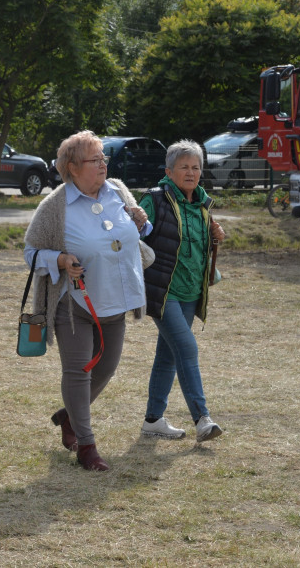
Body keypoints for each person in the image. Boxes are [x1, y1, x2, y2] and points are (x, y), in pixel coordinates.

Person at [24, 130, 153, 471]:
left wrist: (142, 223)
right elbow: (31, 253)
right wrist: (61, 261)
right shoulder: (54, 207)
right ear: (72, 167)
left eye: (103, 158)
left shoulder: (118, 191)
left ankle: (70, 416)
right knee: (79, 372)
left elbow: (136, 232)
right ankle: (87, 446)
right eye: (95, 160)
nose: (102, 165)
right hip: (74, 303)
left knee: (107, 368)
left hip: (116, 300)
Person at [138, 139, 226, 444]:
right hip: (163, 292)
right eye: (184, 167)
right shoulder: (154, 199)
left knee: (169, 355)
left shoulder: (202, 203)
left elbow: (198, 246)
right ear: (169, 170)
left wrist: (216, 235)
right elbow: (134, 235)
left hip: (190, 291)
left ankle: (153, 420)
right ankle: (203, 418)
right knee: (187, 348)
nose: (191, 172)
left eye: (196, 167)